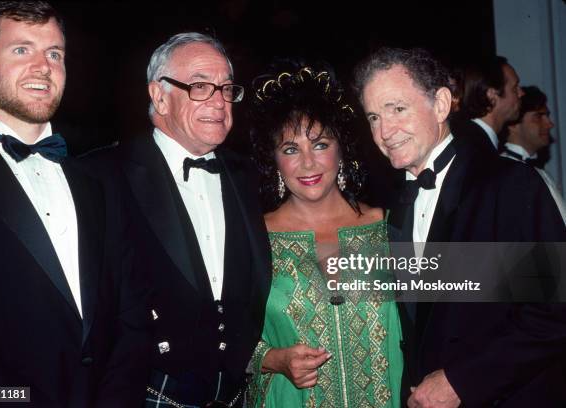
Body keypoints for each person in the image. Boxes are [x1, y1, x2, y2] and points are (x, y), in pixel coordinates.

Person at [0, 1, 150, 407]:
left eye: (54, 53)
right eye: (21, 49)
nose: (43, 66)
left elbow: (132, 319)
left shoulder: (102, 181)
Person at [354, 47, 566, 408]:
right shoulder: (391, 204)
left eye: (397, 109)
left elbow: (554, 312)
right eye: (374, 117)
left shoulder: (509, 185)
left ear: (440, 104)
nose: (384, 131)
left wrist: (463, 381)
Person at [98, 32, 271, 407]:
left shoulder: (250, 176)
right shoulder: (101, 177)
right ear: (159, 96)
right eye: (200, 86)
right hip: (148, 393)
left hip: (238, 396)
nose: (220, 101)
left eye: (226, 89)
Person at [247, 60, 403, 408]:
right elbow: (217, 334)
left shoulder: (389, 228)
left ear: (341, 149)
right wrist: (272, 359)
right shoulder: (253, 238)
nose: (308, 163)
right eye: (290, 149)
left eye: (319, 144)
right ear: (274, 161)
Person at [501, 85, 566, 222]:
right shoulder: (503, 173)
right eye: (538, 117)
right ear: (513, 124)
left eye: (547, 116)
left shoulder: (540, 171)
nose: (550, 124)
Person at [451, 56, 524, 157]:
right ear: (491, 95)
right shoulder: (473, 149)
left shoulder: (472, 139)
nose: (521, 93)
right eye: (515, 88)